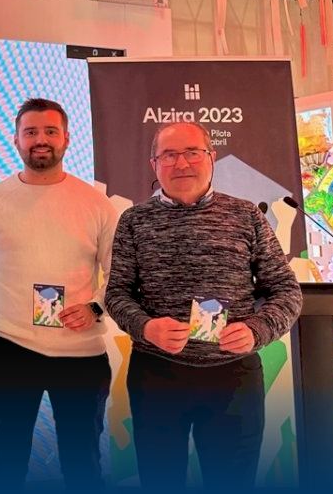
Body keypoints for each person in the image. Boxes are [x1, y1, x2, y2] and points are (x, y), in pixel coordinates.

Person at [105, 121, 302, 488]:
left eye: (192, 152)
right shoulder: (133, 221)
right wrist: (146, 327)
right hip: (157, 376)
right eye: (169, 155)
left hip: (233, 377)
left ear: (211, 157)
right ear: (154, 164)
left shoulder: (246, 216)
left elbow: (286, 290)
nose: (181, 163)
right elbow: (117, 294)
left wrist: (257, 330)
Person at [0, 98, 117, 488]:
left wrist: (94, 308)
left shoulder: (96, 204)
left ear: (66, 138)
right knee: (6, 465)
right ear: (16, 140)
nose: (41, 140)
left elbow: (118, 275)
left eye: (50, 131)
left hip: (81, 352)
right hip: (11, 347)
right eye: (31, 132)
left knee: (83, 468)